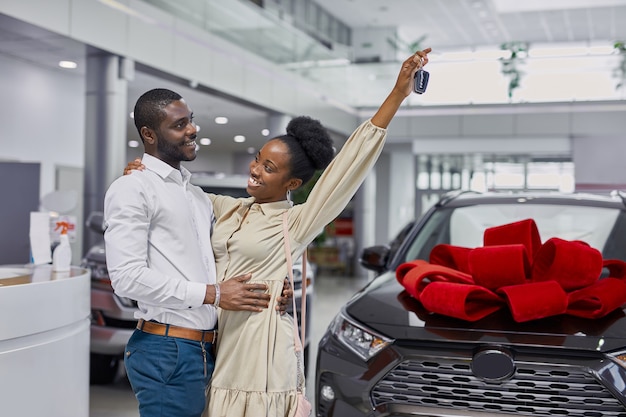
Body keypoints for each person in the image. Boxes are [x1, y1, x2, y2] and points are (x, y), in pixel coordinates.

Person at [124, 48, 431, 416]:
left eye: (269, 167)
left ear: (293, 182)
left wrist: (396, 94)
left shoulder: (296, 221)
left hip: (262, 352)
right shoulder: (227, 207)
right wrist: (144, 171)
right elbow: (179, 192)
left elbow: (346, 171)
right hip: (219, 349)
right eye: (257, 158)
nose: (255, 169)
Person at [103, 88, 292, 417]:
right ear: (148, 134)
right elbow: (126, 278)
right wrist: (215, 294)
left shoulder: (196, 197)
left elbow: (214, 260)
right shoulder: (133, 187)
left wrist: (274, 288)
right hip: (167, 349)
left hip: (208, 347)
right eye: (179, 125)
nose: (191, 129)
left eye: (190, 121)